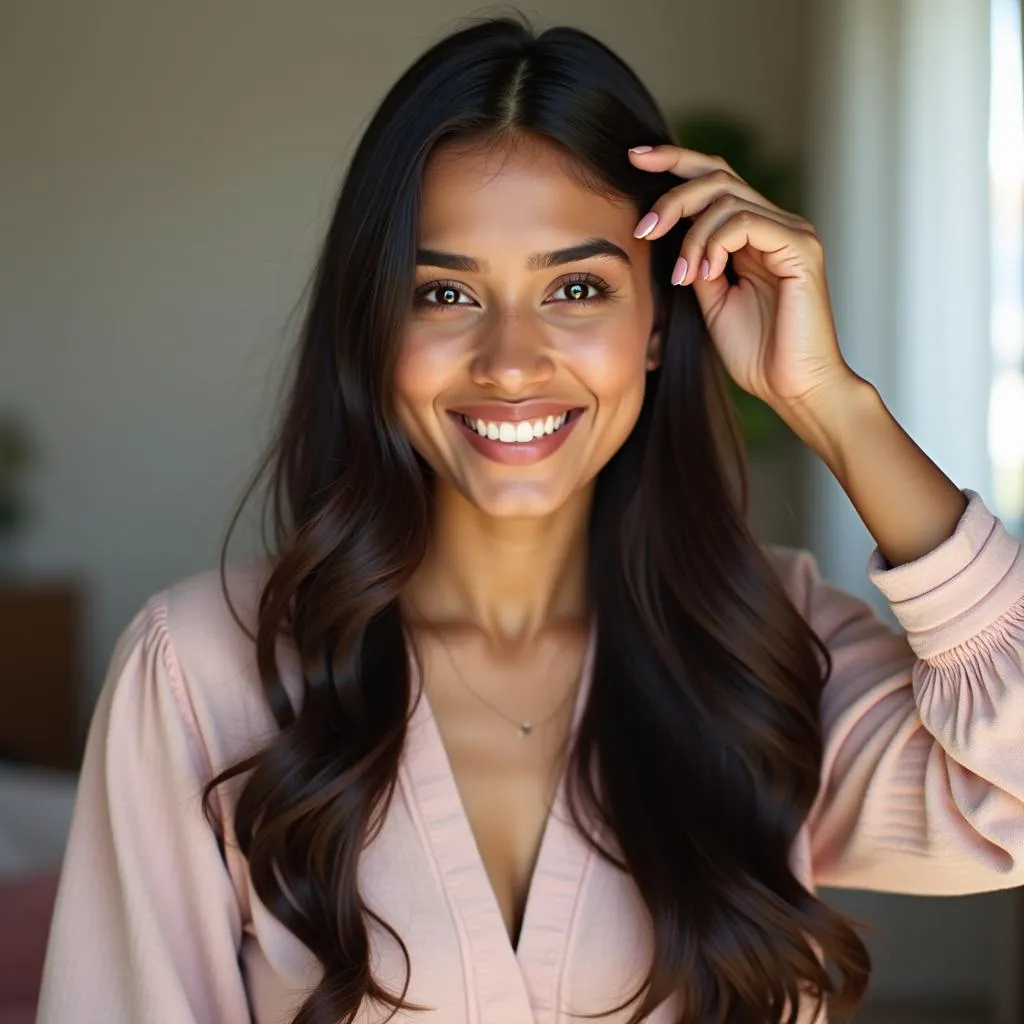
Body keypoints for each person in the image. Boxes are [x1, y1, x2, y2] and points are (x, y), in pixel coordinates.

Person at [36, 15, 1024, 1024]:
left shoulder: (764, 641)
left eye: (578, 287)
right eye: (446, 291)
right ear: (372, 328)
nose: (510, 361)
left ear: (655, 325)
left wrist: (832, 403)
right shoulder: (200, 671)